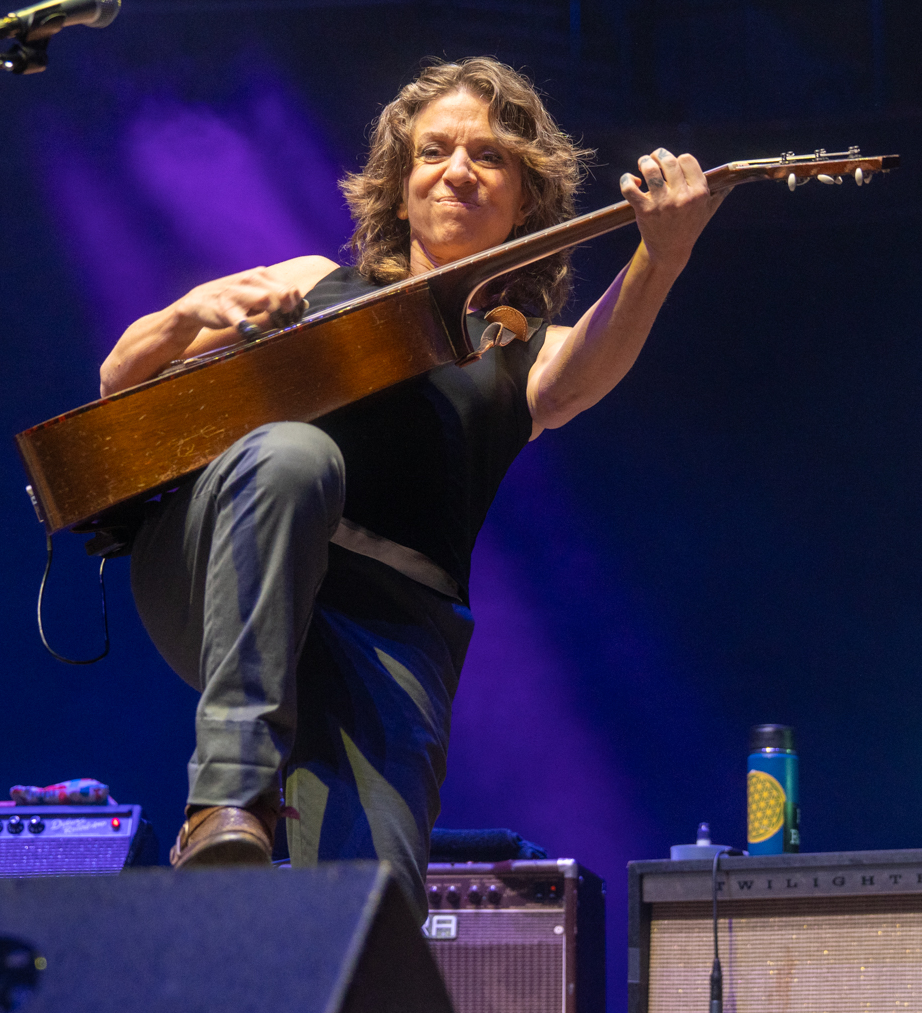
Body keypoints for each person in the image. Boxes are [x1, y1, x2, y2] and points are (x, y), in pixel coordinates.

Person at [99, 57, 725, 918]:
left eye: (488, 157)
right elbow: (116, 390)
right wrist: (181, 319)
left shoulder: (520, 348)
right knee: (294, 457)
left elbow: (579, 378)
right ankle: (228, 800)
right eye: (434, 152)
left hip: (388, 632)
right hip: (220, 568)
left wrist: (663, 258)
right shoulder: (312, 282)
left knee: (375, 921)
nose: (457, 170)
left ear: (524, 201)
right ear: (398, 189)